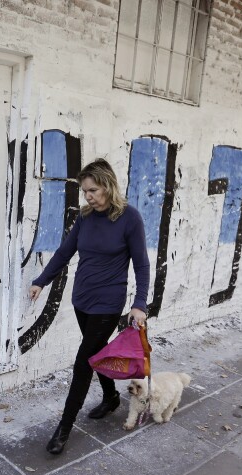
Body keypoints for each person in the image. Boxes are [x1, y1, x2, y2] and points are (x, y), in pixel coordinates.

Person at [29, 158, 150, 454]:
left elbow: (142, 264)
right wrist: (41, 280)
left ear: (108, 185)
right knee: (97, 352)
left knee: (83, 363)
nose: (89, 196)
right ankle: (110, 397)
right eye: (85, 192)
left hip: (108, 303)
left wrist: (140, 303)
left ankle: (64, 429)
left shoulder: (129, 219)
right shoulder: (85, 217)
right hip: (82, 299)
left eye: (93, 190)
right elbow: (64, 252)